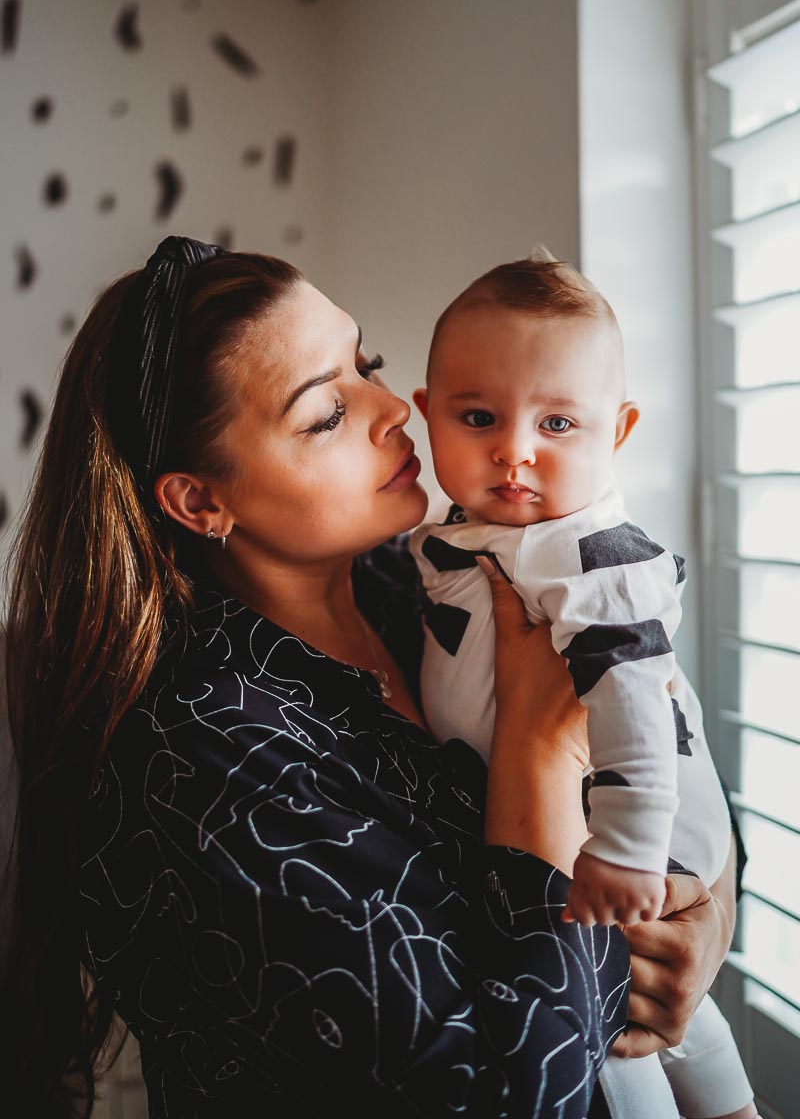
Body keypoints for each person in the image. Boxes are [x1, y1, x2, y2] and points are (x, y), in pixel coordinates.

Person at [0, 236, 740, 1119]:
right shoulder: (202, 763)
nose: (393, 409)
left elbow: (674, 756)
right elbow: (496, 1098)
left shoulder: (421, 582)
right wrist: (540, 755)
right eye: (324, 414)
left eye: (367, 364)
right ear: (201, 501)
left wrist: (706, 923)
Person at [409, 249, 757, 1119]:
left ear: (619, 431)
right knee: (669, 1024)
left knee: (613, 1038)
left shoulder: (590, 558)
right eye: (479, 416)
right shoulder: (471, 537)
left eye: (558, 425)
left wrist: (631, 848)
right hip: (577, 834)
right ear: (429, 418)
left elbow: (640, 702)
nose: (515, 452)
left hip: (628, 833)